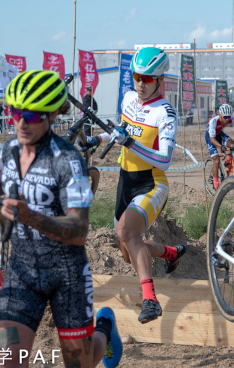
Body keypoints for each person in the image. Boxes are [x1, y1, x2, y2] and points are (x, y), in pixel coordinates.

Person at [0, 70, 123, 368]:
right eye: (15, 112)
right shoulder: (10, 149)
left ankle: (105, 329)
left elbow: (80, 230)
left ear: (52, 115)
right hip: (21, 272)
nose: (21, 122)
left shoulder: (69, 161)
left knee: (79, 363)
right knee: (9, 360)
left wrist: (31, 216)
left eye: (31, 115)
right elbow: (2, 179)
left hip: (67, 275)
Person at [84, 47, 186, 324]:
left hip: (151, 182)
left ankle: (151, 300)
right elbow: (121, 130)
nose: (140, 83)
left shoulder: (165, 113)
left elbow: (164, 160)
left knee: (127, 231)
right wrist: (100, 139)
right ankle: (171, 252)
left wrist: (130, 143)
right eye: (136, 77)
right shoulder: (129, 98)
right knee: (129, 251)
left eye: (147, 78)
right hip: (125, 181)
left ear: (160, 79)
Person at [206, 103, 234, 189]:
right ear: (220, 115)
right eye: (225, 117)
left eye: (228, 117)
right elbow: (212, 139)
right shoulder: (213, 121)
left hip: (219, 134)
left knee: (233, 145)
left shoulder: (231, 118)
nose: (227, 119)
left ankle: (227, 162)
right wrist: (221, 146)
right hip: (211, 137)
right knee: (216, 161)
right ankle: (216, 184)